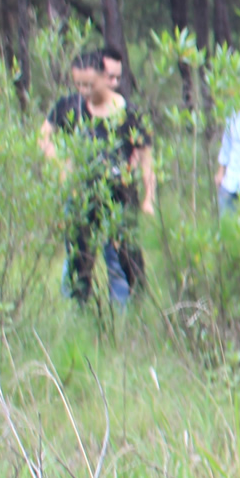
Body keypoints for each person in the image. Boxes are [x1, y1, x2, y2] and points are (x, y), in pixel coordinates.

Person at [42, 49, 155, 308]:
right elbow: (43, 137)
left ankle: (129, 315)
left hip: (120, 197)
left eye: (89, 84)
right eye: (78, 84)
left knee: (123, 257)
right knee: (79, 258)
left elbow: (147, 162)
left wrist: (148, 198)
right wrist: (61, 167)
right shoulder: (71, 107)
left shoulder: (130, 114)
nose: (83, 90)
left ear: (105, 78)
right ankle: (76, 315)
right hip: (82, 197)